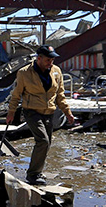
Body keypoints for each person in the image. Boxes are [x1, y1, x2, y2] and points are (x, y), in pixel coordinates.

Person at [6, 45, 75, 185]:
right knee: (42, 141)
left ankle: (37, 172)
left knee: (46, 143)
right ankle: (33, 175)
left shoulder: (56, 71)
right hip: (31, 111)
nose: (51, 62)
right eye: (48, 60)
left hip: (49, 112)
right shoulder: (24, 73)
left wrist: (68, 113)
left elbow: (60, 95)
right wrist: (11, 112)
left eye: (52, 60)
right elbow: (16, 95)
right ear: (39, 58)